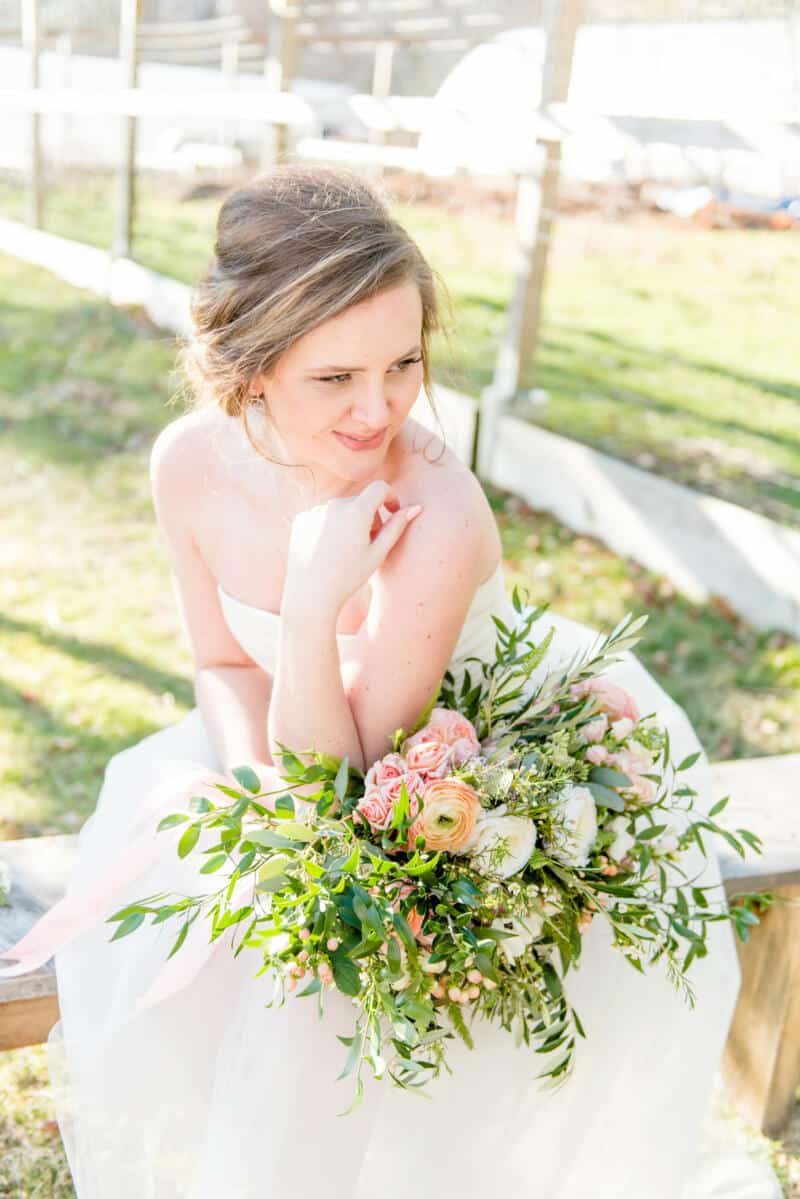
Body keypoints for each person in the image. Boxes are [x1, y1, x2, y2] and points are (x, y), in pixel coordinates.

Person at [0, 165, 782, 1199]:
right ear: (250, 367)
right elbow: (224, 663)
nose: (379, 407)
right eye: (335, 378)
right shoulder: (188, 462)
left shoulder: (435, 512)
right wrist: (251, 796)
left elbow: (345, 774)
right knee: (201, 927)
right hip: (287, 748)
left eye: (403, 363)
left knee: (346, 1002)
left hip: (436, 774)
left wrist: (318, 600)